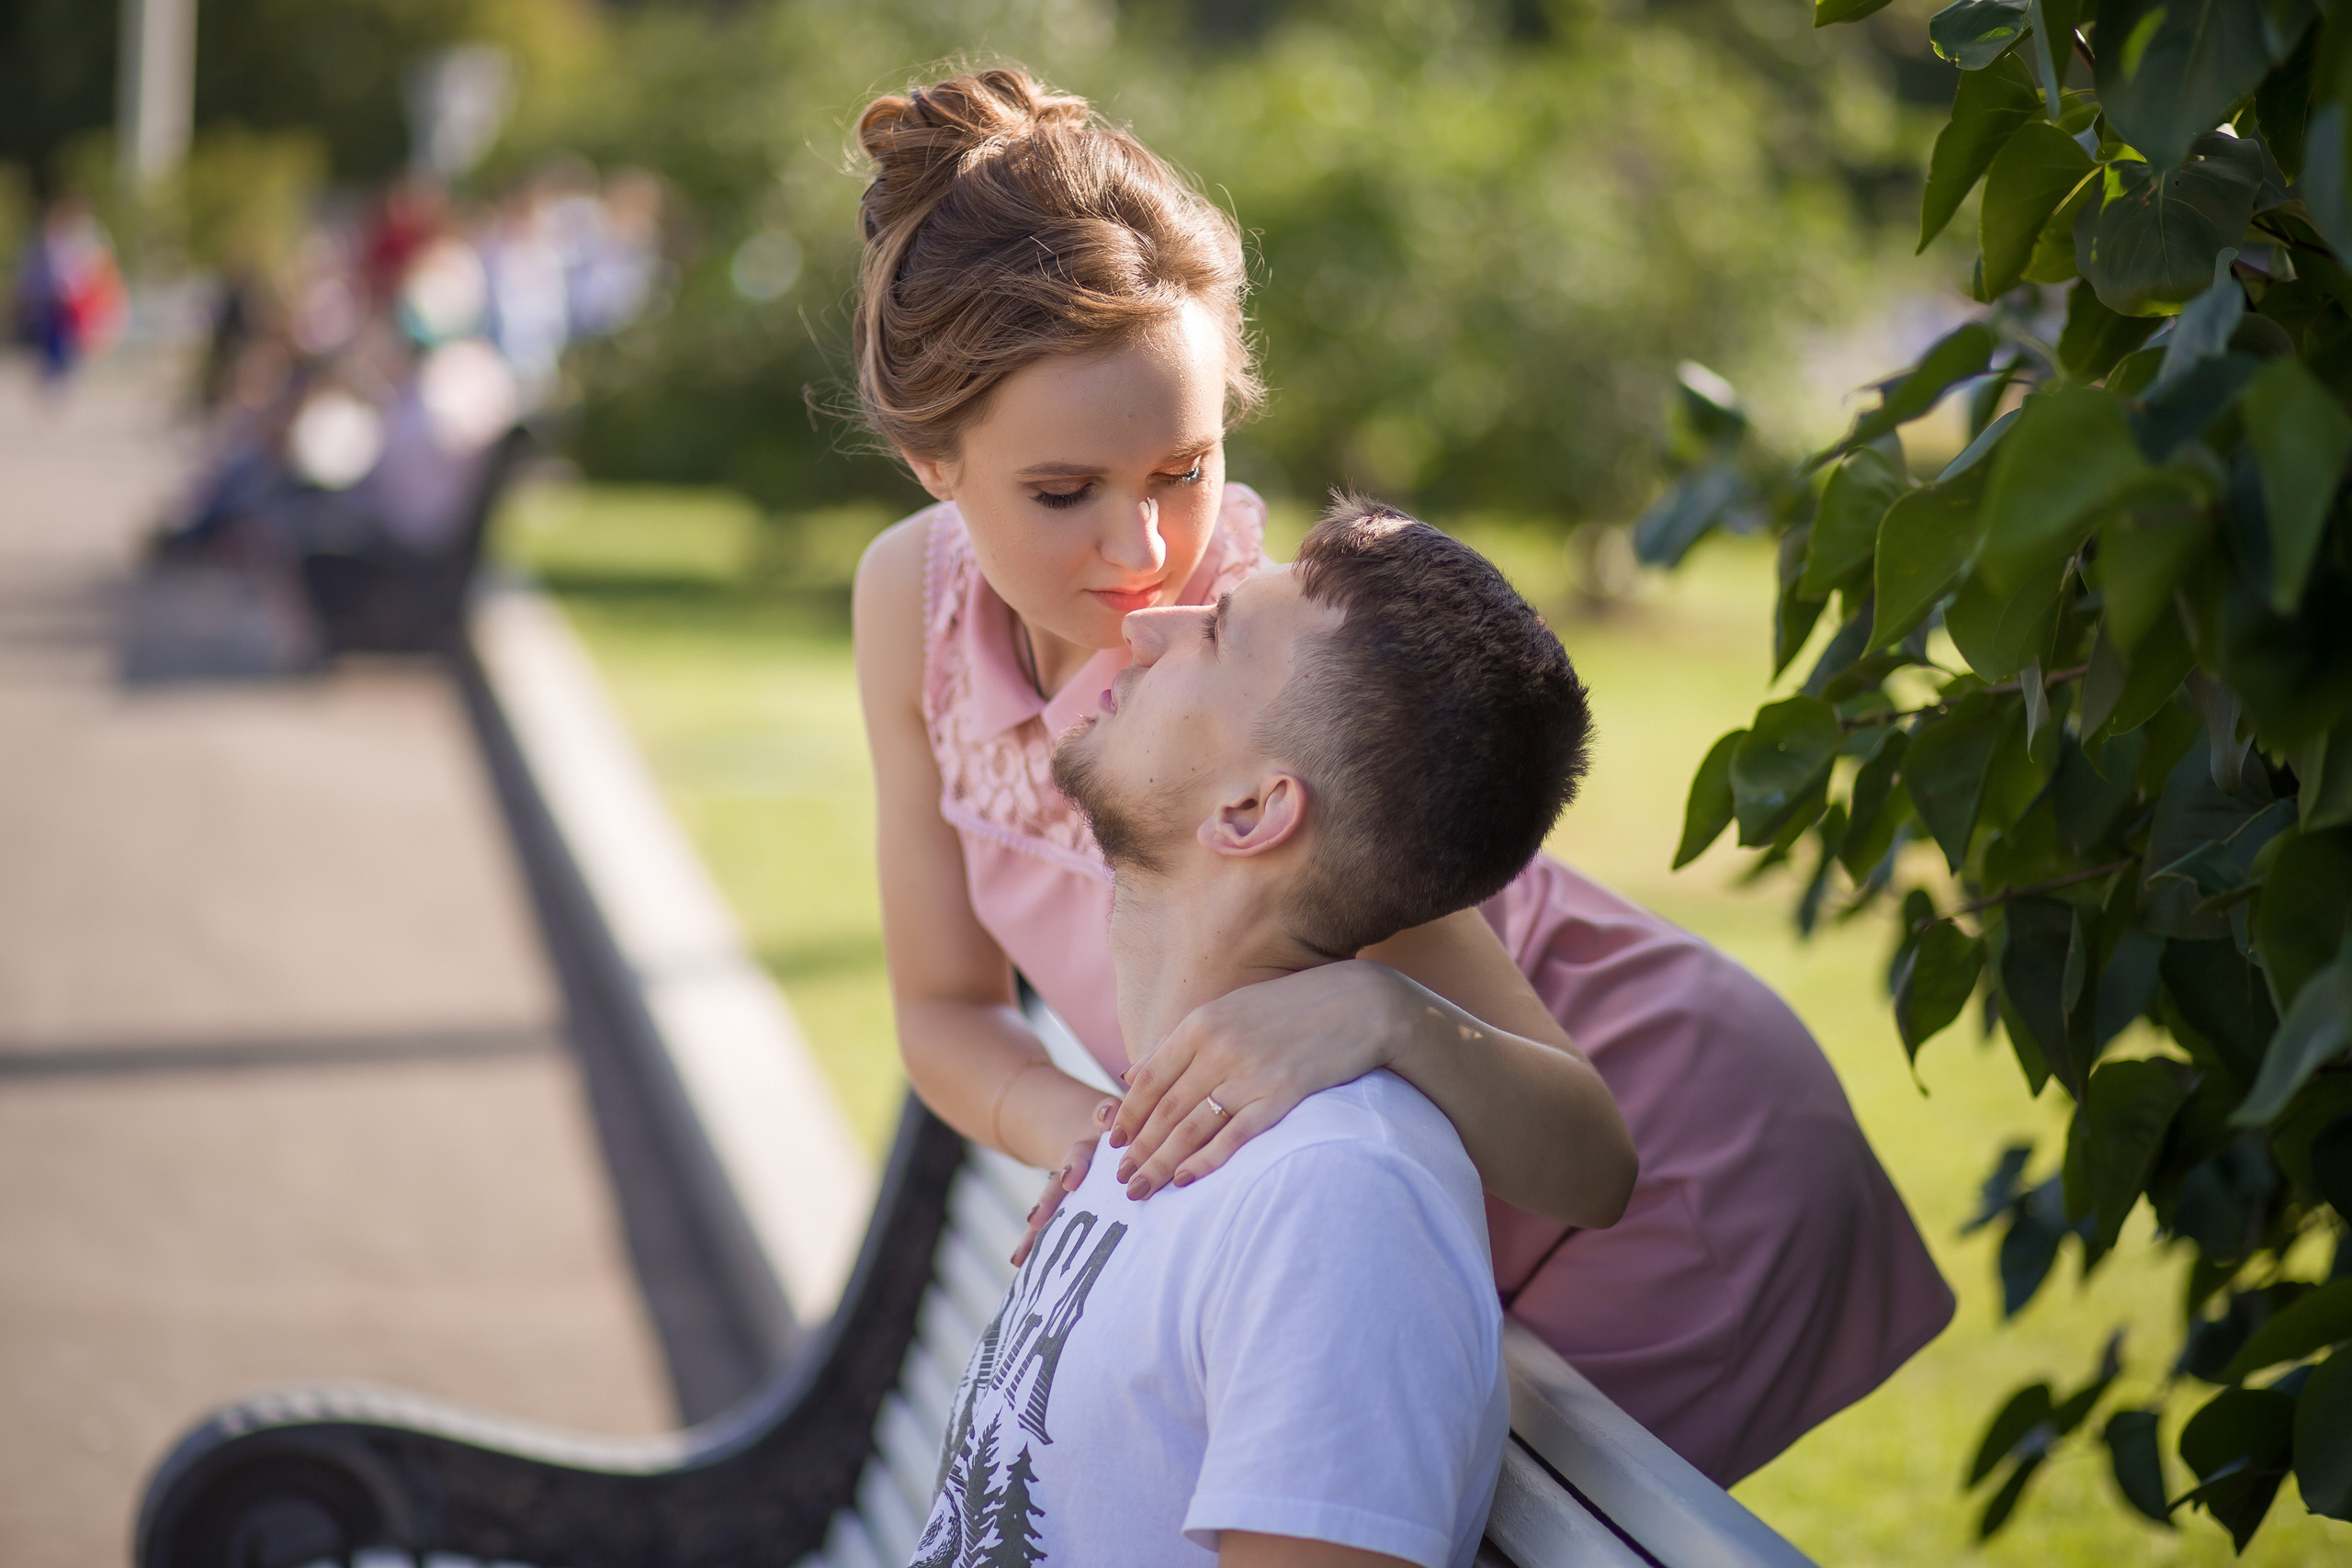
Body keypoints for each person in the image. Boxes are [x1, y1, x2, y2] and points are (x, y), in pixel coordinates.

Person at [850, 65, 1953, 1486]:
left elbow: (1588, 1147)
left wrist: (1377, 1005)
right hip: (1419, 1192)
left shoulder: (1258, 685)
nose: (1146, 555)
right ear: (934, 460)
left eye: (1186, 468)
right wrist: (1095, 1147)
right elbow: (942, 1011)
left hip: (1682, 1152)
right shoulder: (911, 609)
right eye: (1064, 492)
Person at [916, 501, 1578, 1568]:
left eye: (1213, 631)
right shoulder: (1172, 1126)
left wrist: (1392, 1014)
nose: (1142, 628)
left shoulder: (1338, 1202)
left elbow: (1594, 1162)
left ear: (1250, 810)